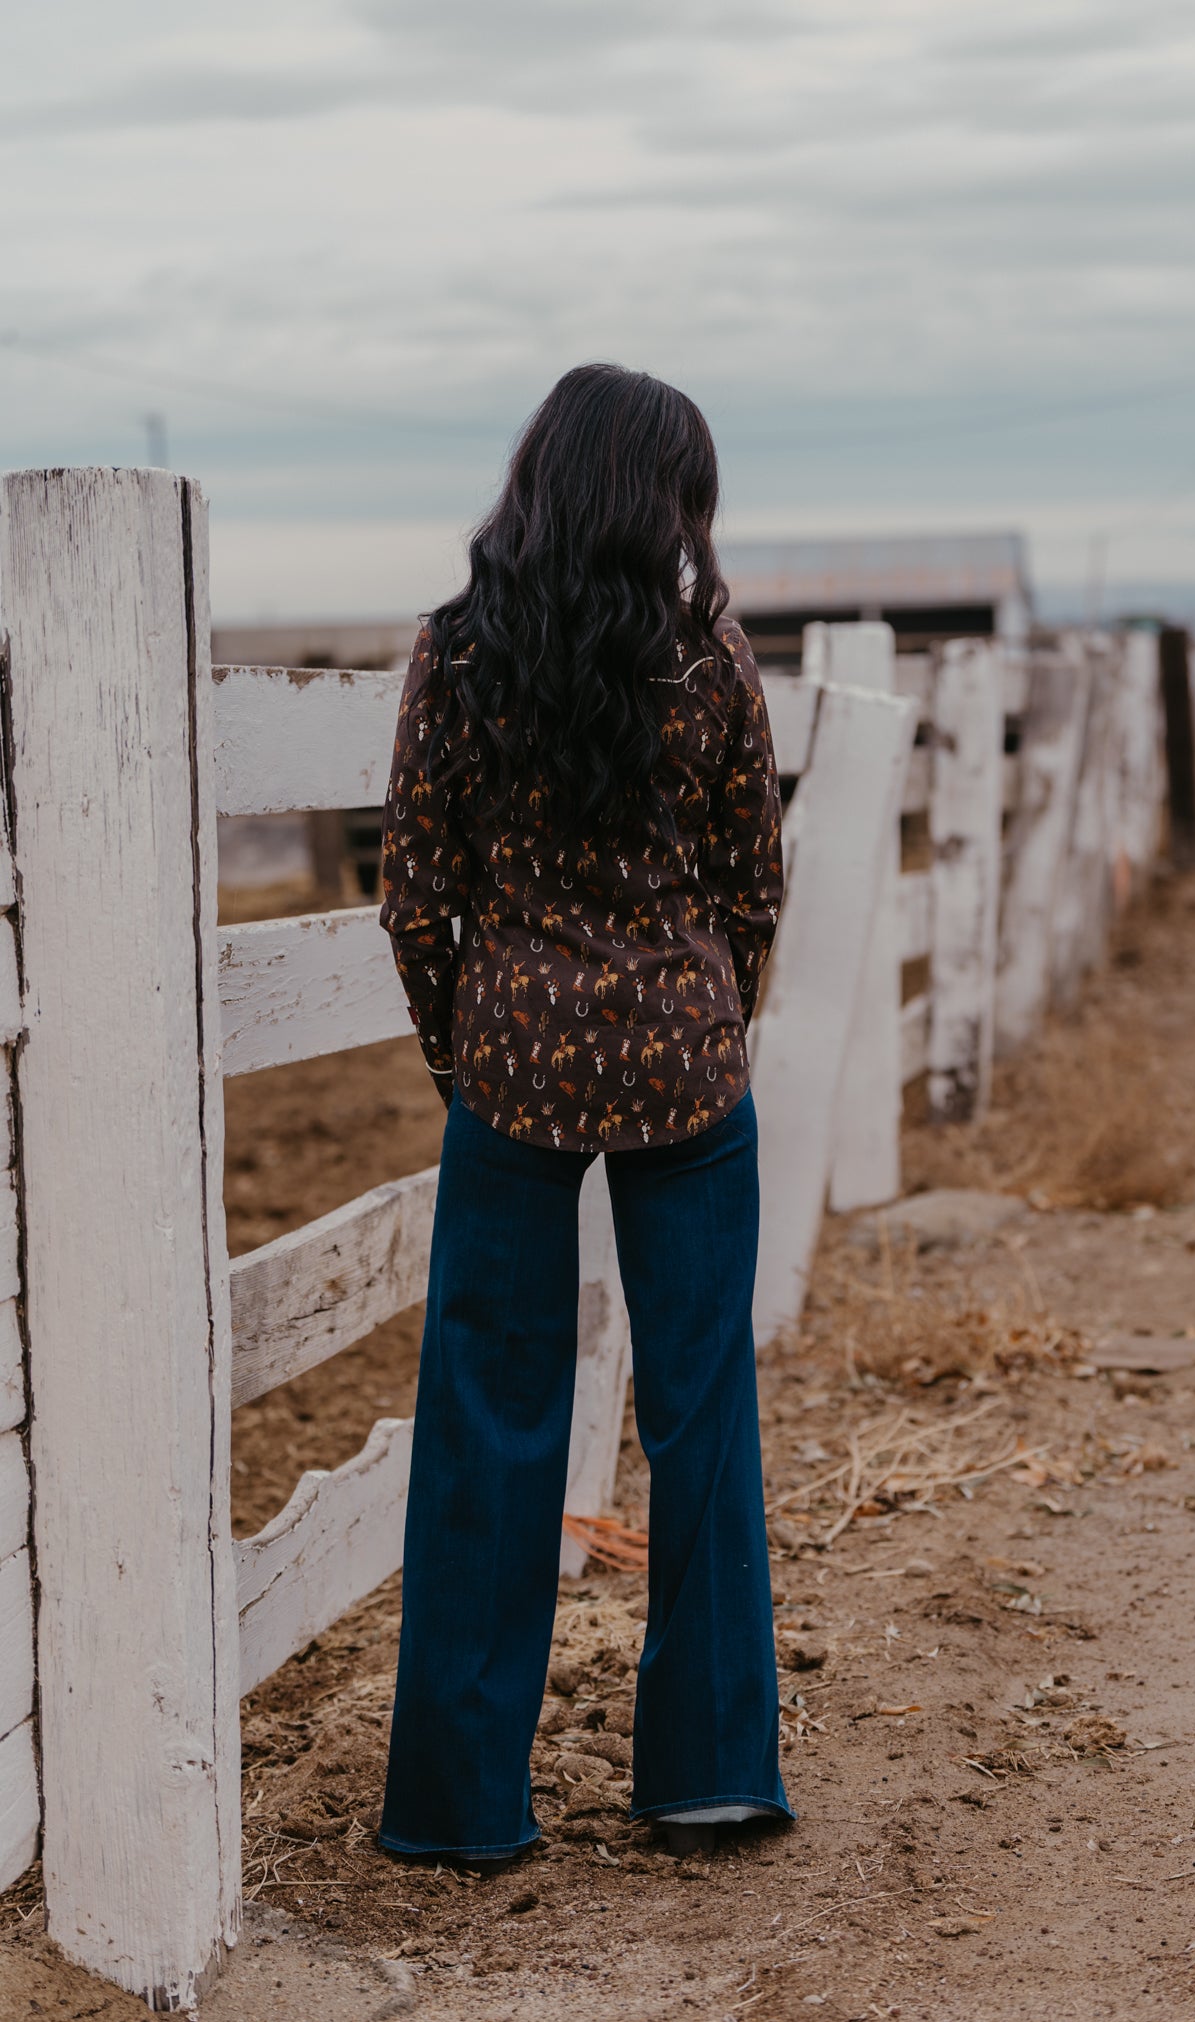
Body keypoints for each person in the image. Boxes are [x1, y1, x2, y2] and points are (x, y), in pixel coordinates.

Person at [376, 362, 791, 1869]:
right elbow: (753, 882)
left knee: (486, 1429)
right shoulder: (709, 659)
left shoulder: (456, 651)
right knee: (701, 1418)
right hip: (688, 1072)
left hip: (510, 1080)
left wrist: (464, 1054)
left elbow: (418, 895)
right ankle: (706, 1776)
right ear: (666, 497)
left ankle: (460, 1805)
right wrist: (706, 1019)